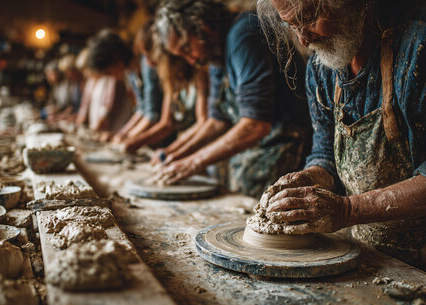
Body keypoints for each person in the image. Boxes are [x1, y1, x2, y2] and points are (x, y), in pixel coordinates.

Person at [257, 0, 426, 267]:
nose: (303, 39)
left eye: (309, 18)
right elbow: (325, 153)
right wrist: (309, 178)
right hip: (368, 254)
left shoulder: (418, 46)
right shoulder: (321, 68)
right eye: (292, 25)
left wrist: (348, 210)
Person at [153, 0, 311, 198]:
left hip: (287, 147)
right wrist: (175, 155)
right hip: (259, 151)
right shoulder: (214, 54)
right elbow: (217, 121)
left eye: (187, 48)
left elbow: (256, 125)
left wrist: (192, 162)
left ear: (202, 26)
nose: (192, 60)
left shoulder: (243, 35)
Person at [110, 20, 164, 145]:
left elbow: (152, 114)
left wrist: (129, 138)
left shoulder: (147, 68)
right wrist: (123, 134)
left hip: (161, 138)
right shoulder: (131, 75)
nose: (149, 62)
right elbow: (141, 109)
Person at [83, 31, 134, 137]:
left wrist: (123, 134)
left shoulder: (133, 71)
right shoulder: (129, 74)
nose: (112, 77)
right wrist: (122, 134)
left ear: (117, 60)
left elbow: (147, 111)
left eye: (109, 73)